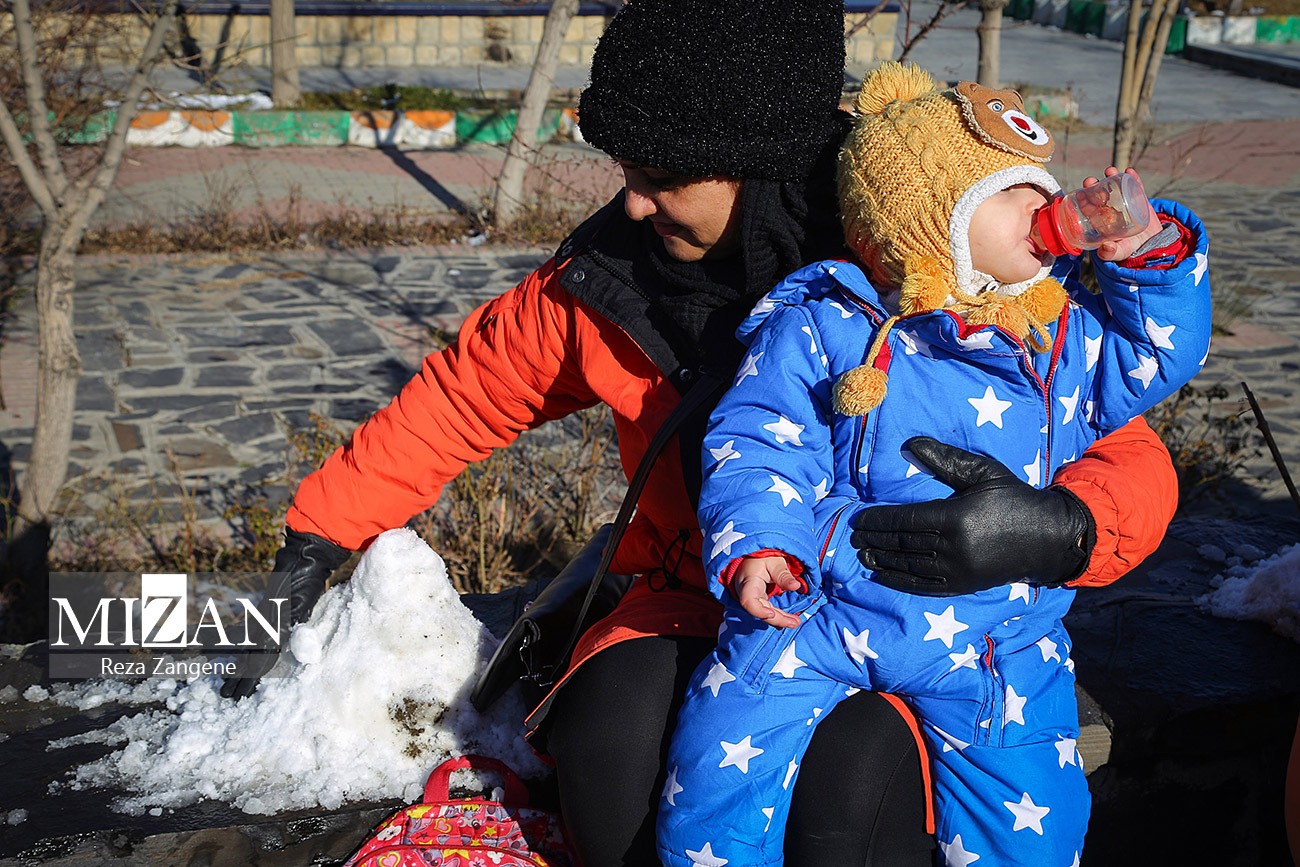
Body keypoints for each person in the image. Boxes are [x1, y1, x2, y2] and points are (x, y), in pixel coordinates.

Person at [223, 4, 1184, 864]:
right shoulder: (617, 275)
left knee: (852, 790)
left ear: (756, 160)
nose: (634, 202)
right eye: (627, 174)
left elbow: (1116, 442)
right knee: (610, 758)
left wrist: (1060, 528)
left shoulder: (924, 246)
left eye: (663, 177)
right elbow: (467, 394)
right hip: (703, 586)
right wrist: (318, 534)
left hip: (924, 617)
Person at [656, 63, 1210, 867]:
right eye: (1010, 195)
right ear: (930, 224)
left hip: (997, 635)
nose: (1045, 207)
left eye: (1040, 186)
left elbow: (1159, 353)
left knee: (1033, 820)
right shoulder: (830, 323)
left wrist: (1149, 256)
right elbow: (761, 436)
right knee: (715, 769)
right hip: (822, 606)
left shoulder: (1062, 337)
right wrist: (762, 543)